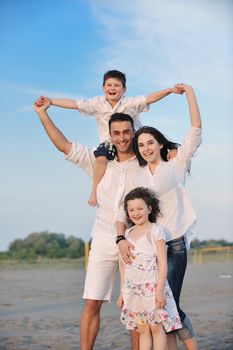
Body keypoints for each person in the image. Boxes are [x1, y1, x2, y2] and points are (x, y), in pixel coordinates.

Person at [116, 84, 202, 350]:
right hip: (146, 251)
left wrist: (189, 93)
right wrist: (120, 238)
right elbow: (123, 210)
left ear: (160, 143)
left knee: (168, 304)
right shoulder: (135, 174)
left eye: (150, 142)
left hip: (173, 243)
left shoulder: (176, 164)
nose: (145, 148)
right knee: (157, 309)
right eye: (140, 145)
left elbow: (195, 131)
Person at [37, 69, 182, 207]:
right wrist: (52, 101)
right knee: (100, 159)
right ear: (103, 88)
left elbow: (149, 98)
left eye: (117, 85)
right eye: (109, 85)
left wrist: (170, 90)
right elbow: (75, 104)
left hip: (136, 143)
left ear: (124, 89)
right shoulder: (97, 103)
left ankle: (167, 157)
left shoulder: (129, 103)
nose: (112, 88)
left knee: (151, 151)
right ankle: (94, 190)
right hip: (108, 144)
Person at [117, 187, 181, 350]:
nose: (135, 213)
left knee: (156, 328)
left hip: (152, 288)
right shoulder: (128, 234)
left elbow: (163, 263)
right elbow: (124, 265)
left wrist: (159, 290)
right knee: (143, 329)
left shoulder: (156, 231)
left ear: (149, 209)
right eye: (131, 209)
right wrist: (122, 292)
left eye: (140, 208)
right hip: (133, 290)